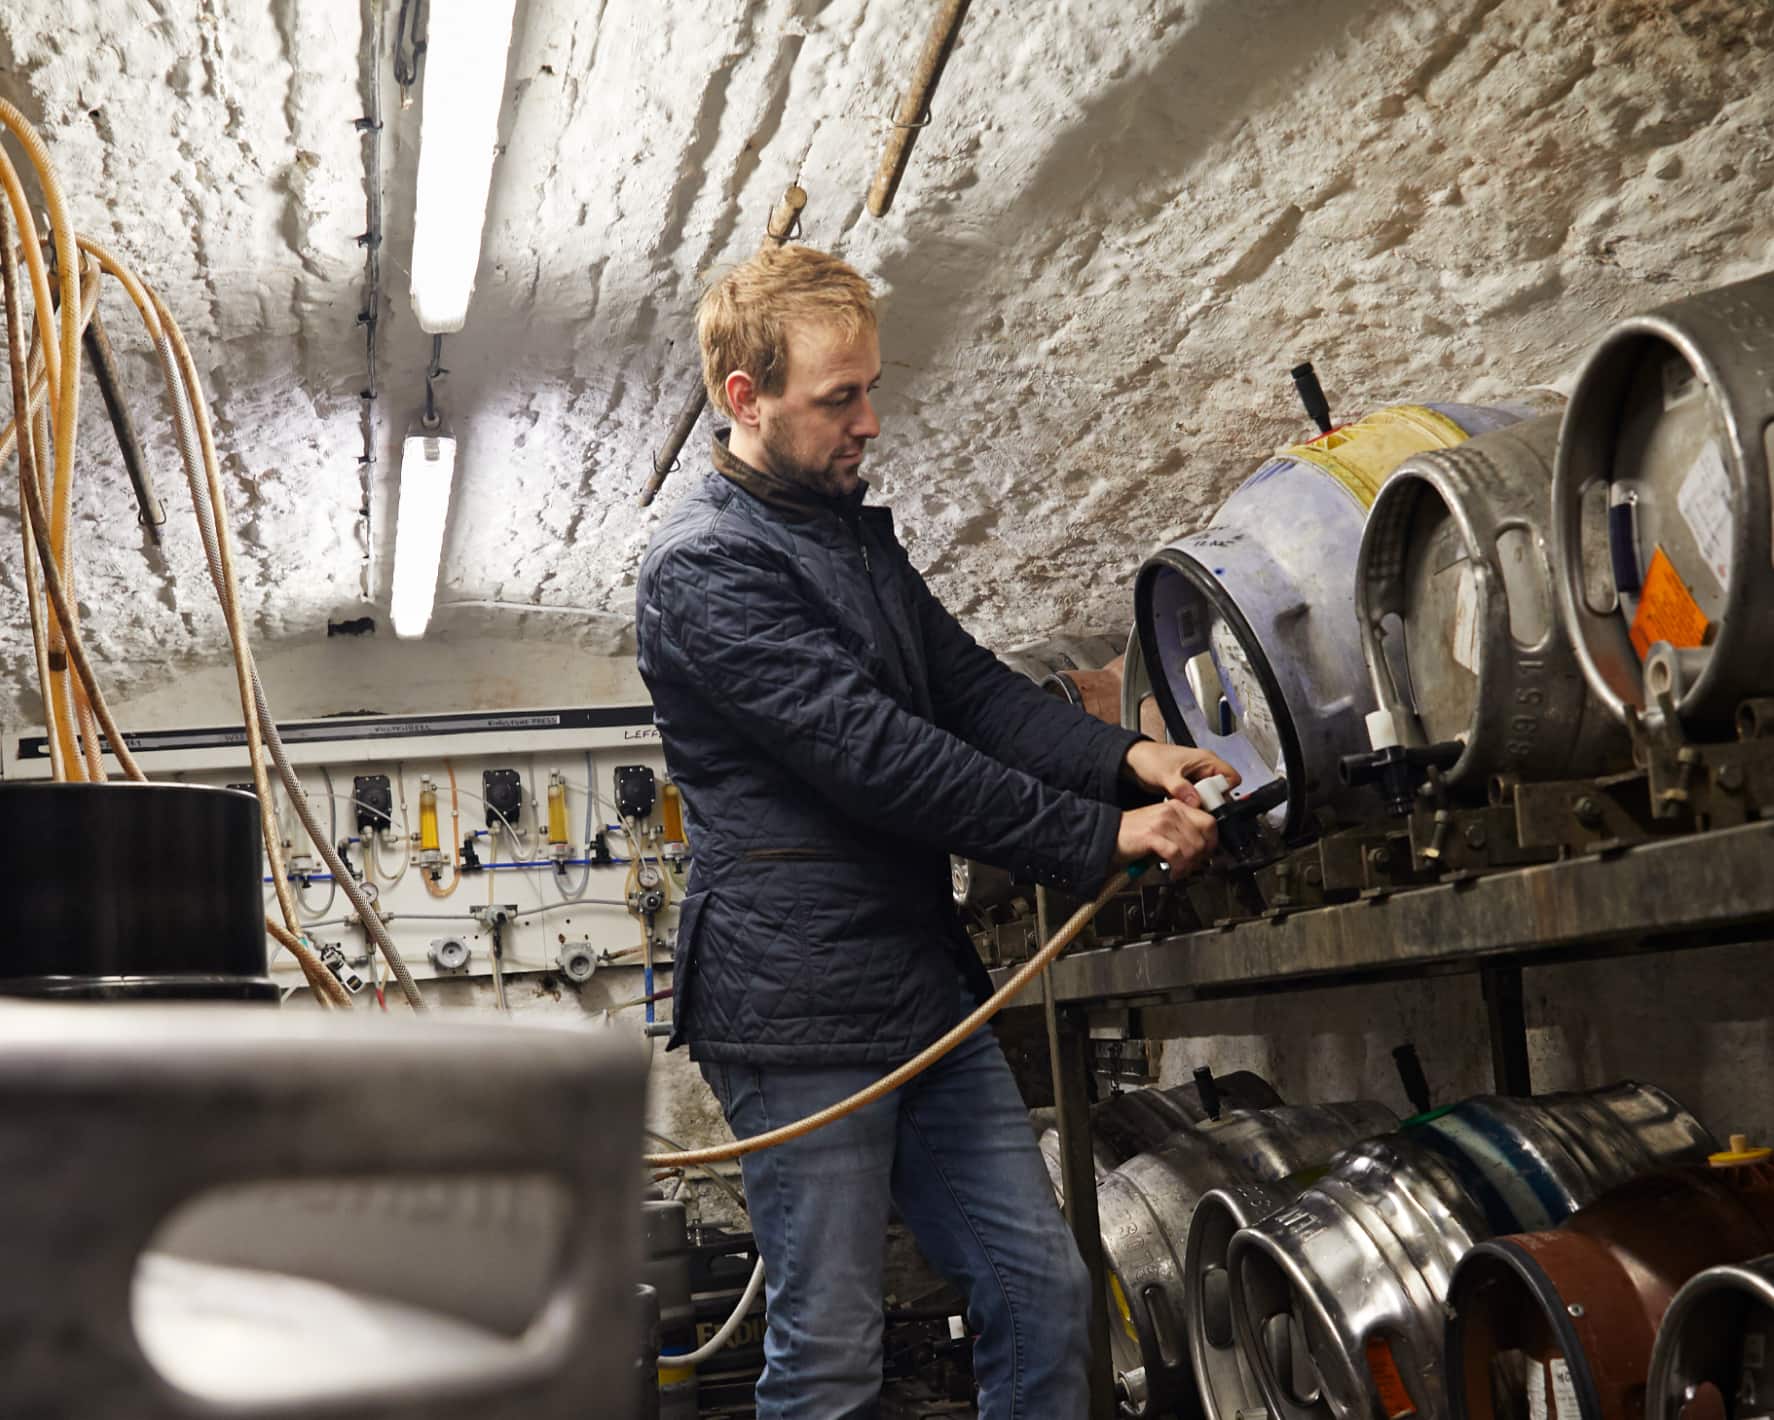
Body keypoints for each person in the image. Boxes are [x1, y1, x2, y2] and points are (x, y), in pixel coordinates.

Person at [635, 242, 1235, 1419]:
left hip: (914, 986)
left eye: (870, 388)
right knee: (830, 1352)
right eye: (837, 398)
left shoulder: (846, 531)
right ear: (743, 400)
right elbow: (881, 758)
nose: (869, 422)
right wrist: (1099, 835)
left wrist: (1128, 756)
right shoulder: (704, 568)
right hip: (798, 1004)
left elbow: (969, 692)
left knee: (1041, 1288)